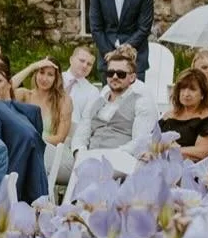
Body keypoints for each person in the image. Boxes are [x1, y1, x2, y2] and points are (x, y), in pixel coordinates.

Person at [66, 44, 159, 181]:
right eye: (110, 73)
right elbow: (83, 130)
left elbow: (140, 141)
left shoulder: (141, 99)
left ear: (132, 77)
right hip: (85, 157)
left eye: (121, 74)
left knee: (90, 173)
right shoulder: (100, 98)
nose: (115, 77)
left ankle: (79, 198)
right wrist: (79, 151)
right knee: (44, 152)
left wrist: (112, 154)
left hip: (118, 161)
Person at [12, 55, 74, 195]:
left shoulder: (63, 100)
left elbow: (60, 138)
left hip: (54, 153)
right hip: (28, 152)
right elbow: (3, 88)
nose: (44, 78)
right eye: (41, 72)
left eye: (50, 74)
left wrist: (34, 139)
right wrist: (32, 66)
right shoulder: (25, 95)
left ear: (56, 78)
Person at [88, 0, 154, 78]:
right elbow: (96, 28)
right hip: (107, 58)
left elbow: (144, 27)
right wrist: (109, 53)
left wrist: (126, 48)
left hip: (135, 60)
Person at [161, 69, 208, 166]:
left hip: (198, 173)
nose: (186, 94)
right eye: (183, 88)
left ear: (203, 94)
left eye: (192, 89)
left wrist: (165, 151)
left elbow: (200, 153)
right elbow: (151, 141)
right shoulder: (168, 116)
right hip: (165, 166)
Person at [64, 45, 100, 117]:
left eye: (89, 64)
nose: (85, 66)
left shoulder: (93, 92)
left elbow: (86, 120)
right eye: (82, 61)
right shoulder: (56, 79)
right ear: (71, 60)